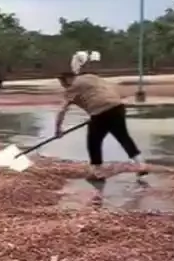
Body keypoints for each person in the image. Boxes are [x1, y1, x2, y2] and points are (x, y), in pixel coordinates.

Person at [55, 51, 146, 181]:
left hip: (101, 111)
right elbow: (102, 94)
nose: (62, 85)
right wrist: (95, 115)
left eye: (62, 82)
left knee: (93, 141)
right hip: (117, 107)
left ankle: (97, 172)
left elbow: (61, 110)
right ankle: (141, 164)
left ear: (68, 79)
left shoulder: (73, 86)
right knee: (123, 137)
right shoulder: (93, 77)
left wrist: (58, 130)